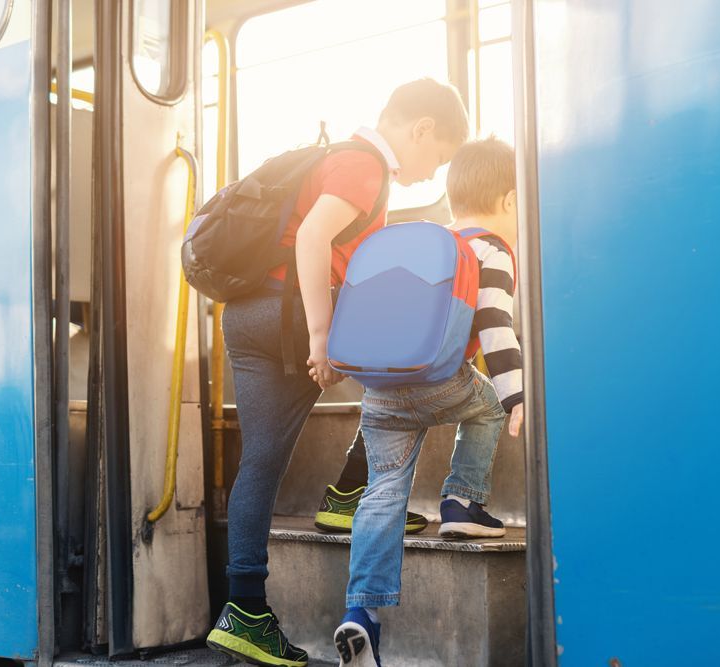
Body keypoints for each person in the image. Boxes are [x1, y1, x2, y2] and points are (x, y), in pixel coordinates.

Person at [205, 79, 469, 667]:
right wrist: (321, 334)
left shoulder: (334, 158)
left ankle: (244, 610)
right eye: (439, 156)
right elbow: (313, 238)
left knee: (262, 458)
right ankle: (350, 493)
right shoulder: (364, 166)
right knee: (415, 377)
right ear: (421, 128)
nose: (431, 173)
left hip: (246, 314)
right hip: (292, 315)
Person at [330, 137, 523, 667]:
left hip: (379, 390)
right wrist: (515, 394)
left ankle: (359, 613)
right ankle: (461, 500)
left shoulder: (434, 239)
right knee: (485, 406)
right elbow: (495, 324)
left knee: (383, 492)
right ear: (510, 201)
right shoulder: (493, 249)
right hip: (441, 384)